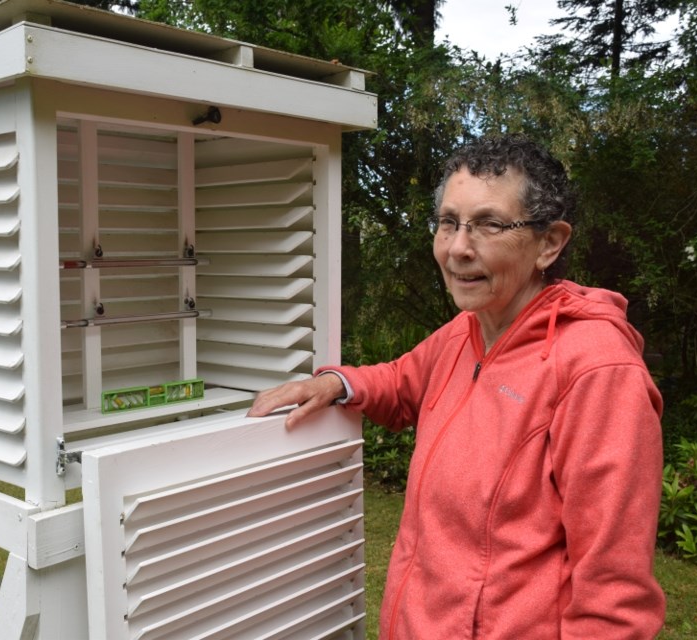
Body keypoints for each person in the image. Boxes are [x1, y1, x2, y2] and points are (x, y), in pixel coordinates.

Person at [247, 134, 665, 638]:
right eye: (449, 223)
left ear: (549, 243)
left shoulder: (598, 371)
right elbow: (403, 380)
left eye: (489, 224)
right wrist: (337, 383)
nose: (459, 249)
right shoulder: (467, 330)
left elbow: (613, 594)